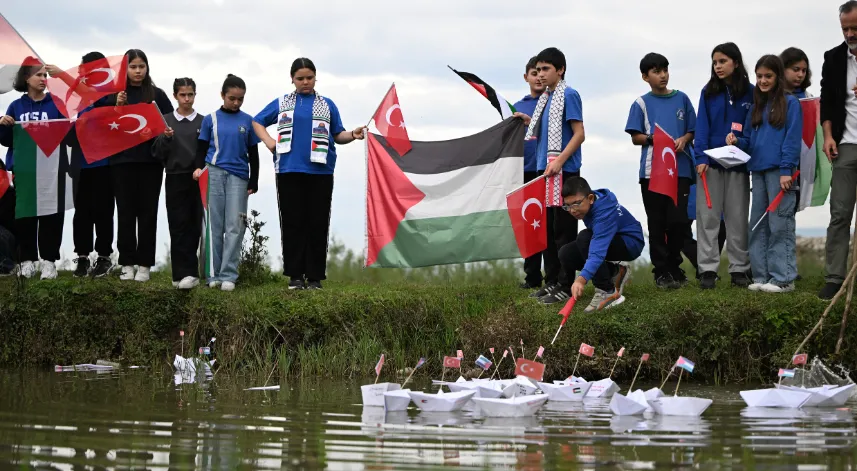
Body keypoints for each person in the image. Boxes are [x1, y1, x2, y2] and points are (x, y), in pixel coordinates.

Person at [252, 58, 364, 290]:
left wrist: (352, 134)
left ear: (315, 78)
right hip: (288, 169)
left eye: (309, 78)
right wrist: (270, 142)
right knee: (293, 222)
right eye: (300, 78)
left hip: (320, 171)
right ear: (292, 79)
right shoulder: (282, 102)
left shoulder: (327, 104)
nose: (305, 82)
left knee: (318, 222)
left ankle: (314, 277)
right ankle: (295, 276)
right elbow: (257, 121)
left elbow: (338, 135)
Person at [728, 55, 801, 293]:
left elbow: (791, 140)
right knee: (758, 225)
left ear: (778, 77)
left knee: (780, 223)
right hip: (757, 172)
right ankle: (761, 277)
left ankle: (783, 279)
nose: (762, 81)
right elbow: (750, 140)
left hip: (780, 173)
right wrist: (737, 141)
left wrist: (786, 170)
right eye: (759, 76)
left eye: (767, 76)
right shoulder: (756, 107)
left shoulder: (790, 104)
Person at [625, 52, 696, 289]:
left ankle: (675, 266)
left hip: (681, 170)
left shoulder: (682, 99)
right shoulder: (641, 103)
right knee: (656, 223)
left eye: (665, 69)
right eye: (656, 71)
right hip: (651, 172)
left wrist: (684, 140)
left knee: (678, 222)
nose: (663, 75)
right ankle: (661, 272)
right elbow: (636, 137)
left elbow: (692, 130)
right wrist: (653, 139)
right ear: (645, 77)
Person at [523, 47, 585, 305]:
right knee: (548, 230)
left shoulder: (568, 95)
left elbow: (579, 133)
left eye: (547, 69)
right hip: (544, 170)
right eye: (538, 70)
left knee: (564, 231)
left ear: (560, 70)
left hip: (564, 171)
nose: (541, 74)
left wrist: (559, 161)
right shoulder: (545, 99)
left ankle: (565, 282)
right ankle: (551, 281)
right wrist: (527, 122)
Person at [0, 59, 70, 280]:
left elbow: (67, 134)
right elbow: (7, 141)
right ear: (26, 79)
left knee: (52, 214)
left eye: (45, 76)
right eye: (38, 75)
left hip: (52, 170)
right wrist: (2, 124)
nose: (43, 79)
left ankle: (49, 262)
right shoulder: (16, 106)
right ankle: (28, 260)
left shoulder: (56, 104)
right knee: (26, 215)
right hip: (24, 170)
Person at [110, 49, 173, 282]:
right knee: (125, 212)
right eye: (133, 67)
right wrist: (116, 106)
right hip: (121, 162)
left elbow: (169, 124)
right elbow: (104, 127)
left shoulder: (157, 94)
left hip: (151, 163)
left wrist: (163, 132)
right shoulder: (115, 94)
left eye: (141, 67)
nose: (138, 71)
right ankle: (127, 263)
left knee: (148, 213)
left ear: (147, 68)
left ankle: (145, 265)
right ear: (124, 69)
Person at [694, 42, 754, 289]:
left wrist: (741, 143)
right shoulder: (708, 92)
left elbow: (751, 128)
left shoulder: (751, 92)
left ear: (736, 63)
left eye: (722, 61)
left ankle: (740, 269)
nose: (717, 66)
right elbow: (702, 128)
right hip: (710, 166)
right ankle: (707, 270)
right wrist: (700, 159)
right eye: (715, 62)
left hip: (739, 165)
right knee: (708, 218)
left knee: (738, 217)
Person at [193, 74, 260, 292]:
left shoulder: (248, 121)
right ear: (222, 95)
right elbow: (201, 148)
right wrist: (198, 168)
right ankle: (213, 275)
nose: (236, 102)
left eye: (240, 99)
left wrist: (254, 179)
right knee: (214, 225)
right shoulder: (209, 119)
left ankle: (229, 274)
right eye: (232, 98)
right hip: (213, 173)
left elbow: (253, 152)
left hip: (239, 177)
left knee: (235, 225)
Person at [55, 51, 115, 278]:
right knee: (82, 213)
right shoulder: (76, 101)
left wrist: (61, 74)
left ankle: (104, 257)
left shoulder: (107, 94)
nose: (80, 72)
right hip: (80, 164)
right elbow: (69, 131)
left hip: (104, 164)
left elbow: (93, 100)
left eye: (85, 68)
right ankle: (81, 257)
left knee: (103, 212)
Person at [560, 176, 645, 312]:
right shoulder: (589, 203)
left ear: (591, 198)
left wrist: (581, 279)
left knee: (584, 238)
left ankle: (607, 292)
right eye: (568, 206)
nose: (572, 210)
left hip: (630, 243)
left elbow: (596, 251)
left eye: (576, 203)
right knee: (566, 254)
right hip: (612, 239)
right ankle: (615, 271)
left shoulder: (604, 213)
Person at [818, 2, 857, 299]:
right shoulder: (833, 58)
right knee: (840, 211)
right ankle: (834, 278)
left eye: (855, 28)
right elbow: (827, 102)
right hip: (845, 143)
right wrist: (828, 136)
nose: (849, 33)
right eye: (845, 28)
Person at [152, 78, 204, 289]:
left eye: (190, 94)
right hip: (174, 176)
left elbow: (207, 151)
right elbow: (156, 152)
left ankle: (191, 273)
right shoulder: (164, 121)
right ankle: (180, 273)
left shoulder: (203, 121)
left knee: (194, 225)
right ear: (175, 96)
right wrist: (165, 138)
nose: (187, 99)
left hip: (197, 177)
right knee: (178, 225)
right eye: (183, 95)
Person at [514, 56, 548, 290]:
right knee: (529, 224)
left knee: (552, 225)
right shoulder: (517, 107)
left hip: (548, 170)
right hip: (524, 172)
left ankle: (558, 276)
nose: (538, 76)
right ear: (526, 77)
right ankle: (532, 277)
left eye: (541, 71)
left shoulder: (553, 102)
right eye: (533, 72)